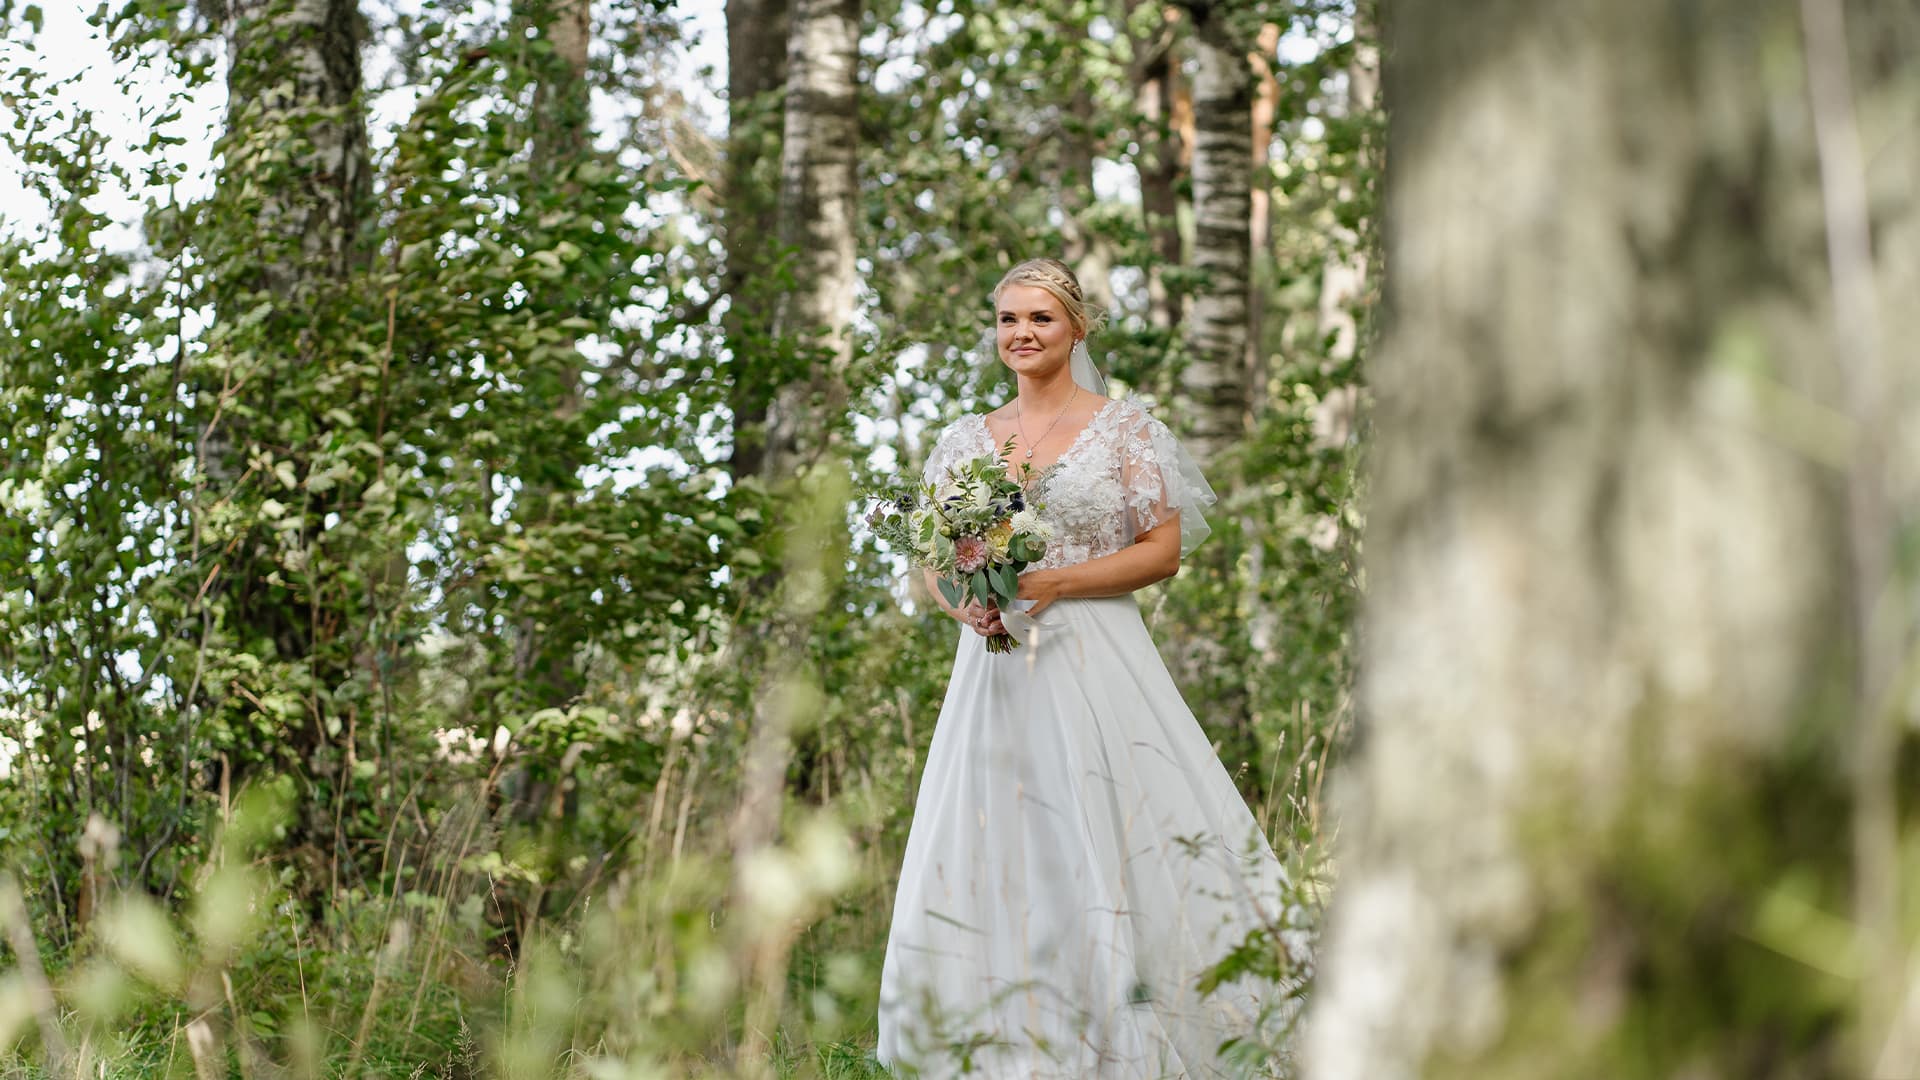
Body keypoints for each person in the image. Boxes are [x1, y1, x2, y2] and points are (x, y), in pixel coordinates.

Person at [877, 258, 1296, 1078]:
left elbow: (1164, 550)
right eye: (1008, 320)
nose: (1021, 334)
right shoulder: (966, 438)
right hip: (994, 671)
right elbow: (934, 556)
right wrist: (964, 603)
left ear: (1075, 328)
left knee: (1109, 827)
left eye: (1039, 319)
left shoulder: (1125, 430)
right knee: (995, 835)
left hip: (1096, 658)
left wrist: (1056, 581)